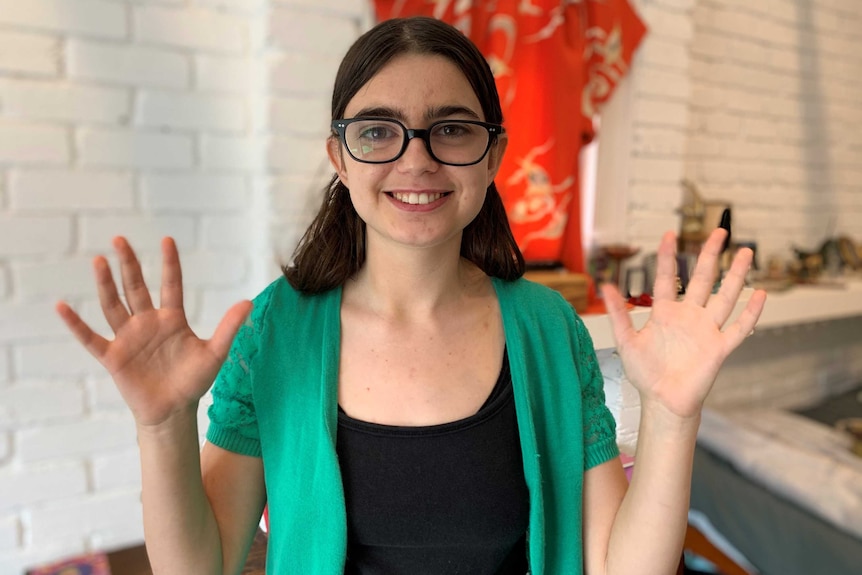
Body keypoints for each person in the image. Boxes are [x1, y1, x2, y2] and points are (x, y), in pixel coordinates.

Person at [55, 16, 766, 575]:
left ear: (492, 154)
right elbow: (200, 565)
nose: (416, 157)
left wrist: (673, 417)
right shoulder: (279, 329)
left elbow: (619, 566)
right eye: (377, 131)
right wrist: (161, 427)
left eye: (451, 129)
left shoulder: (549, 328)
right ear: (340, 156)